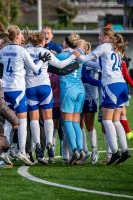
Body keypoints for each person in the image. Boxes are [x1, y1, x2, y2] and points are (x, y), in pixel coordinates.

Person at [0, 20, 51, 165]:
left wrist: (0, 79)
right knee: (23, 122)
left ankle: (4, 152)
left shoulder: (4, 50)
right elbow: (35, 69)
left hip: (6, 90)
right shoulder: (22, 50)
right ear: (18, 36)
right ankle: (22, 152)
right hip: (18, 90)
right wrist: (41, 60)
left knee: (8, 122)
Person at [75, 28, 131, 165]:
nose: (98, 37)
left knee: (107, 121)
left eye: (100, 35)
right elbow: (99, 65)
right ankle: (125, 150)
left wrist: (77, 54)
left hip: (111, 86)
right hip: (122, 85)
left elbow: (84, 58)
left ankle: (114, 152)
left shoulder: (104, 46)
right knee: (116, 121)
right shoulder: (115, 48)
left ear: (106, 36)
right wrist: (85, 61)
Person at [24, 32, 77, 164]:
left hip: (30, 87)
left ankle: (37, 146)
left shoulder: (25, 51)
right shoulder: (45, 51)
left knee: (34, 119)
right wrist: (73, 58)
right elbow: (60, 65)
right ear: (42, 42)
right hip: (44, 87)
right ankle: (49, 143)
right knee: (48, 117)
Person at [57, 33, 86, 165]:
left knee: (67, 122)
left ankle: (74, 150)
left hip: (68, 90)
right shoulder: (80, 56)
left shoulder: (62, 55)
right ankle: (81, 150)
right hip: (80, 89)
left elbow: (50, 66)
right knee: (75, 123)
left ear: (66, 43)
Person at [79, 39, 102, 164]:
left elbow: (88, 77)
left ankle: (94, 150)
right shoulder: (79, 61)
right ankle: (85, 151)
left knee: (89, 125)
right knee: (79, 124)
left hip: (90, 97)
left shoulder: (94, 62)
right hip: (79, 96)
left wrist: (100, 83)